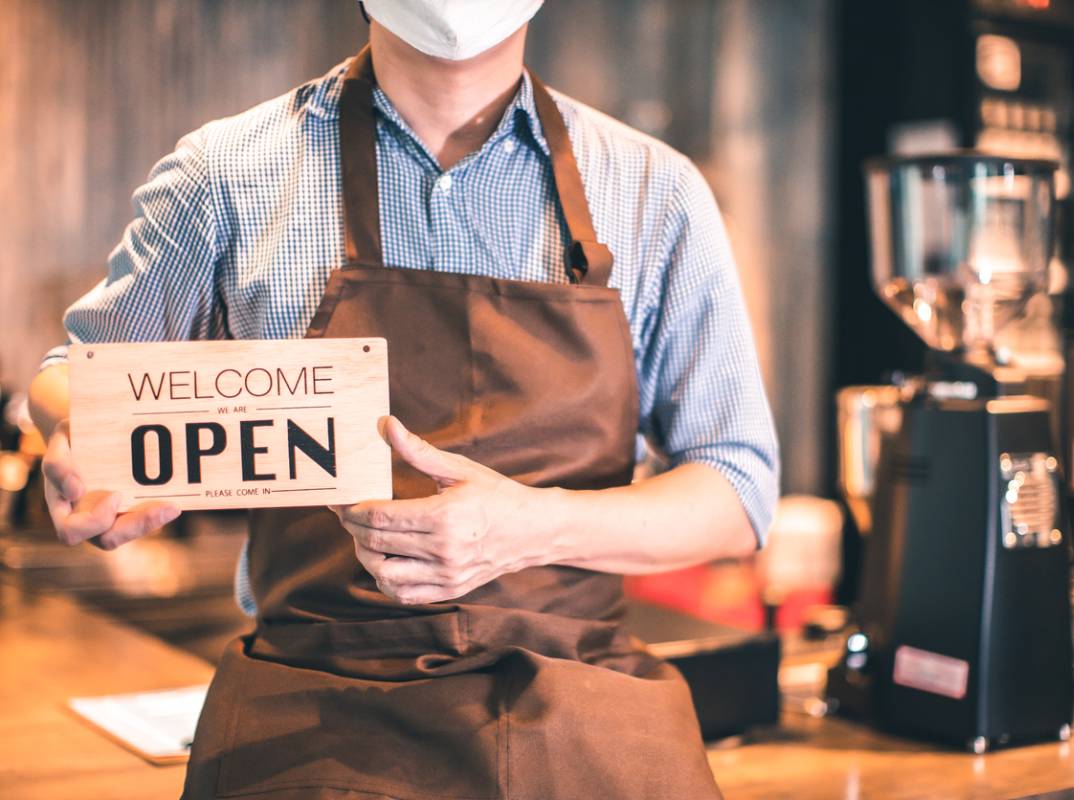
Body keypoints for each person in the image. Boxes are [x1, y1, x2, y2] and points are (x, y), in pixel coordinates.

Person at [29, 1, 780, 796]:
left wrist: (532, 527)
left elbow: (737, 485)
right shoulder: (228, 174)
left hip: (584, 704)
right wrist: (76, 436)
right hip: (309, 705)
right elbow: (74, 374)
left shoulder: (653, 190)